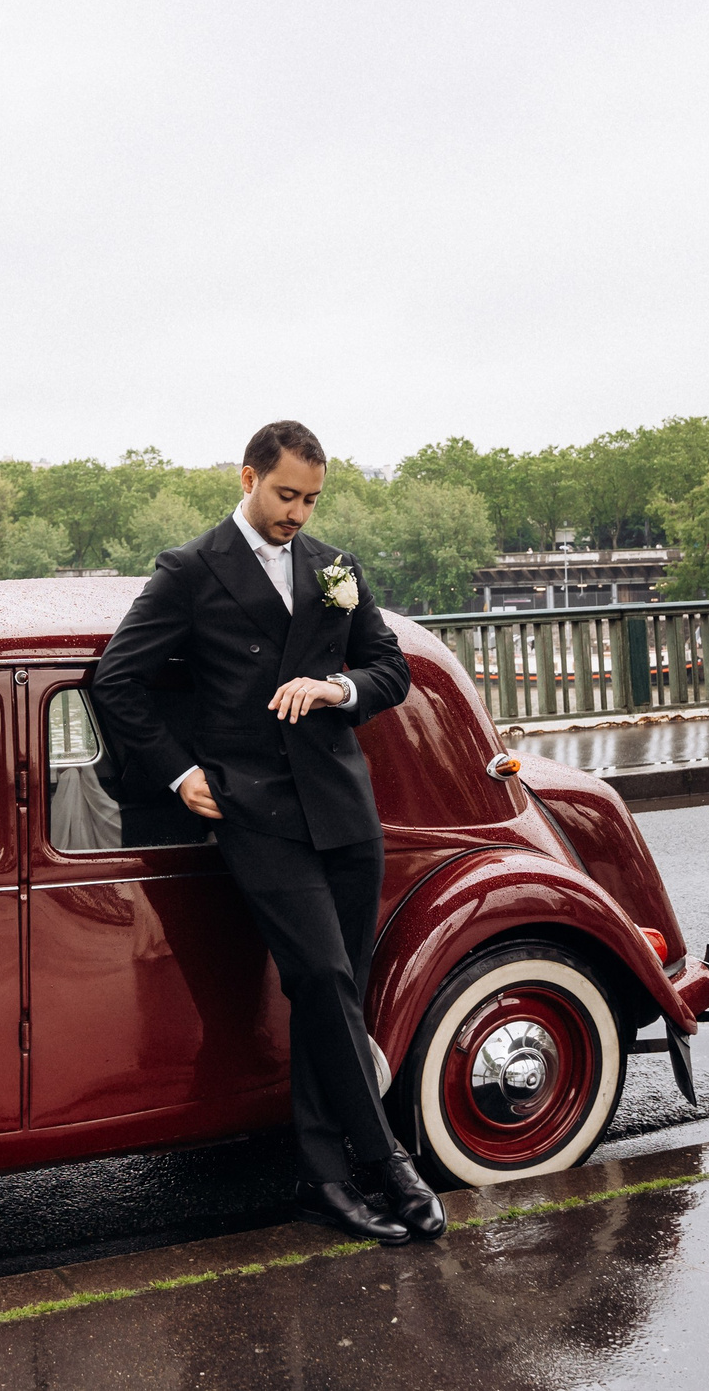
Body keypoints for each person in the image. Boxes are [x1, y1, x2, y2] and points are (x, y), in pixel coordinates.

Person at [92, 420, 446, 1244]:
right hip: (255, 812)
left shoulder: (335, 568)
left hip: (343, 809)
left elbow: (390, 668)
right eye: (287, 494)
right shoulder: (189, 569)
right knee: (321, 979)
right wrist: (183, 774)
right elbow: (119, 679)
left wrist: (336, 689)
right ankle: (387, 1159)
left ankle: (322, 1177)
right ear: (248, 476)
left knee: (336, 996)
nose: (298, 512)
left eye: (312, 498)